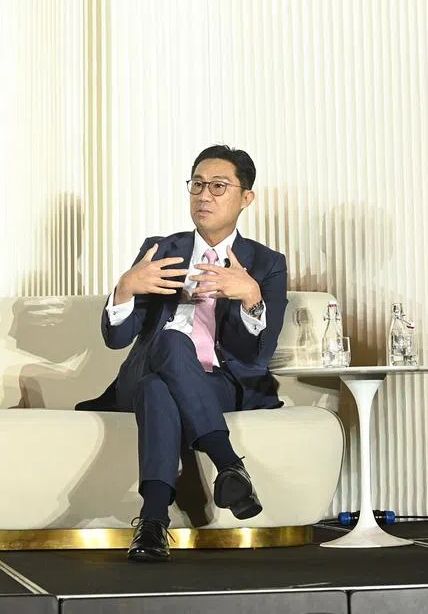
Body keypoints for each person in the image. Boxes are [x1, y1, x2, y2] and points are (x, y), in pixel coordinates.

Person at [78, 145, 288, 562]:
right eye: (197, 185)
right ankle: (229, 464)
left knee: (160, 389)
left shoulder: (266, 263)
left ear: (246, 198)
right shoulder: (162, 250)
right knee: (173, 342)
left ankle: (153, 522)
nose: (204, 195)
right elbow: (118, 340)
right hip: (143, 371)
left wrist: (251, 299)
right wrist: (125, 289)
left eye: (218, 186)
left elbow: (258, 354)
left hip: (221, 383)